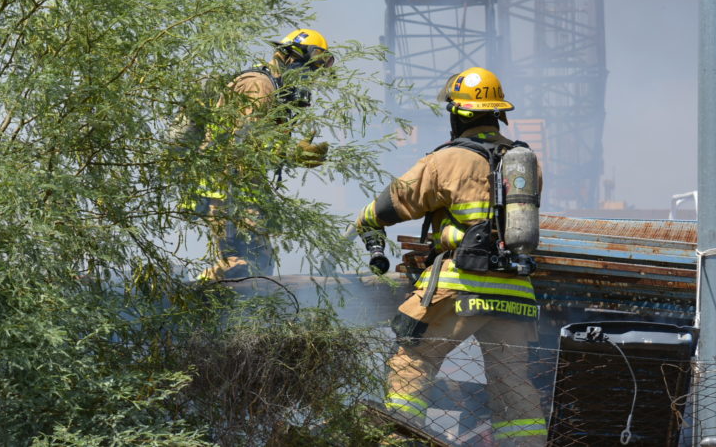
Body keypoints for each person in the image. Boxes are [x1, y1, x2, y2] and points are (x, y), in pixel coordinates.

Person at [356, 67, 547, 446]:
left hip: (459, 285)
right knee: (510, 380)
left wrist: (366, 220)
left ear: (458, 114)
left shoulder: (447, 160)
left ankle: (400, 440)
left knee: (413, 360)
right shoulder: (526, 163)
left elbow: (394, 203)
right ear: (498, 113)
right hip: (515, 291)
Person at [197, 28, 334, 281]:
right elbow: (243, 144)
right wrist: (293, 153)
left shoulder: (278, 89)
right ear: (290, 58)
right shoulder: (259, 85)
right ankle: (195, 295)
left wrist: (294, 155)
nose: (310, 79)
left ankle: (238, 305)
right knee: (235, 265)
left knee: (261, 263)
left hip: (245, 186)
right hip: (225, 187)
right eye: (309, 70)